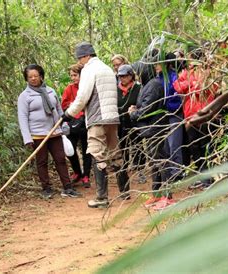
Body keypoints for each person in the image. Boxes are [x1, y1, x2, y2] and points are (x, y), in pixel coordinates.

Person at [63, 42, 122, 208]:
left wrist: (68, 114)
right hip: (112, 117)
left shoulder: (89, 70)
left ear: (85, 56)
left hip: (97, 117)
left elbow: (82, 98)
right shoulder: (107, 69)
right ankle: (125, 191)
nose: (80, 62)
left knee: (97, 153)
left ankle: (102, 198)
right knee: (115, 152)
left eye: (80, 58)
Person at [17, 64, 81, 199]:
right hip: (37, 134)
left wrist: (63, 124)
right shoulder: (24, 96)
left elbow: (58, 110)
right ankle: (46, 189)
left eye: (36, 76)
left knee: (60, 159)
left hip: (54, 131)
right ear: (26, 79)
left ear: (41, 76)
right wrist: (27, 138)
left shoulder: (50, 91)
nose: (33, 79)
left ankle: (67, 188)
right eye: (30, 77)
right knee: (42, 161)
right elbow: (22, 117)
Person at [128, 56, 174, 210]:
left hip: (157, 128)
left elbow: (147, 109)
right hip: (150, 129)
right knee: (154, 163)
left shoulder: (154, 85)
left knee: (162, 161)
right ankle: (156, 193)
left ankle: (167, 196)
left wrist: (133, 113)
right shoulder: (147, 85)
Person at [173, 51, 219, 189]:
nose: (190, 63)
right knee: (195, 148)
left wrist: (192, 84)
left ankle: (210, 178)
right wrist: (192, 83)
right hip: (190, 117)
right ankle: (204, 176)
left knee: (207, 146)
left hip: (206, 115)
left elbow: (205, 89)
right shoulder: (187, 73)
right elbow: (177, 86)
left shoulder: (210, 73)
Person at [61, 64, 92, 188]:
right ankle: (77, 172)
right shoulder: (69, 88)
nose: (73, 78)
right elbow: (63, 105)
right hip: (73, 122)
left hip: (86, 122)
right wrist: (72, 105)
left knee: (87, 150)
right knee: (70, 149)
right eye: (71, 75)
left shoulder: (87, 87)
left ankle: (86, 175)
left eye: (75, 75)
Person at [115, 64, 142, 199]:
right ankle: (124, 187)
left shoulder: (138, 88)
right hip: (120, 125)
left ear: (131, 75)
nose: (123, 78)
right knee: (122, 154)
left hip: (134, 124)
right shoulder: (116, 89)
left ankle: (141, 173)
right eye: (120, 76)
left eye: (125, 75)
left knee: (138, 149)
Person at [158, 52, 184, 181]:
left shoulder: (174, 77)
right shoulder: (159, 77)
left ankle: (177, 172)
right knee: (166, 145)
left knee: (174, 144)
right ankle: (169, 172)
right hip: (163, 115)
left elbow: (177, 95)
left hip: (175, 113)